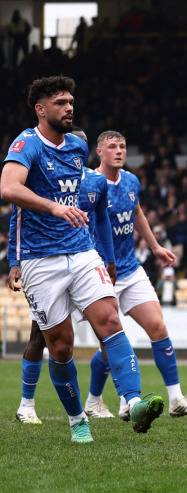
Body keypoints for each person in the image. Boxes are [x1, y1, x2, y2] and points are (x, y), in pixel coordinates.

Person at [0, 76, 163, 442]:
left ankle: (132, 402)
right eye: (60, 102)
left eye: (71, 101)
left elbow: (94, 209)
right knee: (60, 346)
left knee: (110, 320)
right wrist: (52, 211)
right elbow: (9, 189)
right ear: (41, 110)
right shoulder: (27, 144)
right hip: (41, 261)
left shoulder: (76, 146)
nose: (69, 107)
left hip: (82, 250)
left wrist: (103, 253)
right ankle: (77, 420)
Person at [7, 126, 121, 423]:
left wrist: (108, 260)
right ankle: (27, 403)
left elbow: (102, 221)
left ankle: (101, 399)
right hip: (46, 262)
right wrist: (14, 262)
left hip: (84, 261)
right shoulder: (45, 179)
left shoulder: (95, 183)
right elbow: (17, 217)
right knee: (43, 338)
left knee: (107, 329)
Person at [93, 130, 187, 419]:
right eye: (112, 146)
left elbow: (137, 212)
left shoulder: (131, 181)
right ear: (99, 152)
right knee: (111, 346)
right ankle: (99, 400)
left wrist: (155, 246)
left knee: (158, 328)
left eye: (123, 146)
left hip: (130, 269)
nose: (119, 151)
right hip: (101, 274)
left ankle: (177, 399)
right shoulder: (89, 183)